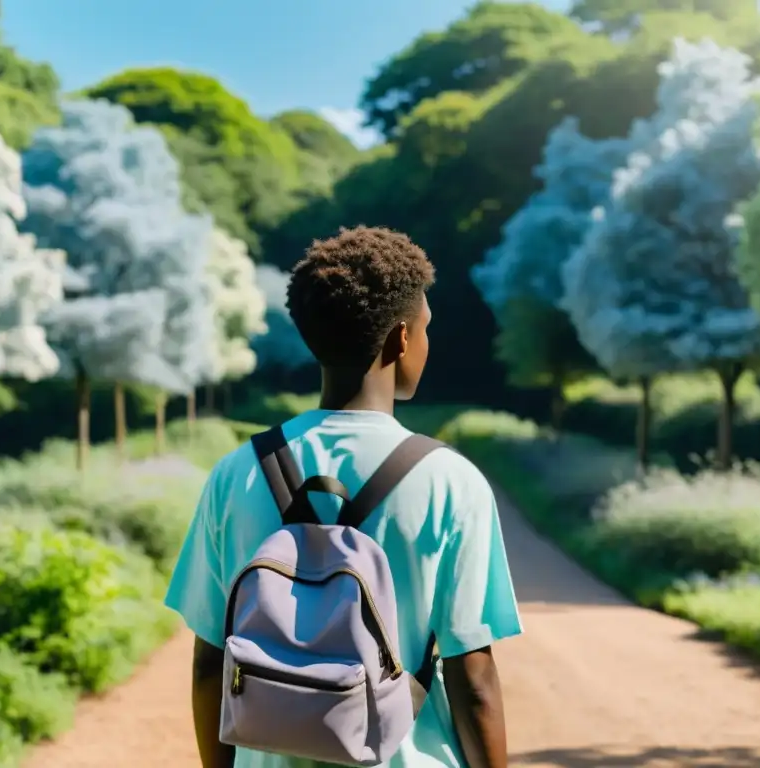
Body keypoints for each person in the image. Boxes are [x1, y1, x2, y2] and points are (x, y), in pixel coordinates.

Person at [164, 225, 523, 768]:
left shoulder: (236, 474)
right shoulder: (451, 481)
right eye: (426, 328)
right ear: (402, 338)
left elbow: (207, 665)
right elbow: (472, 680)